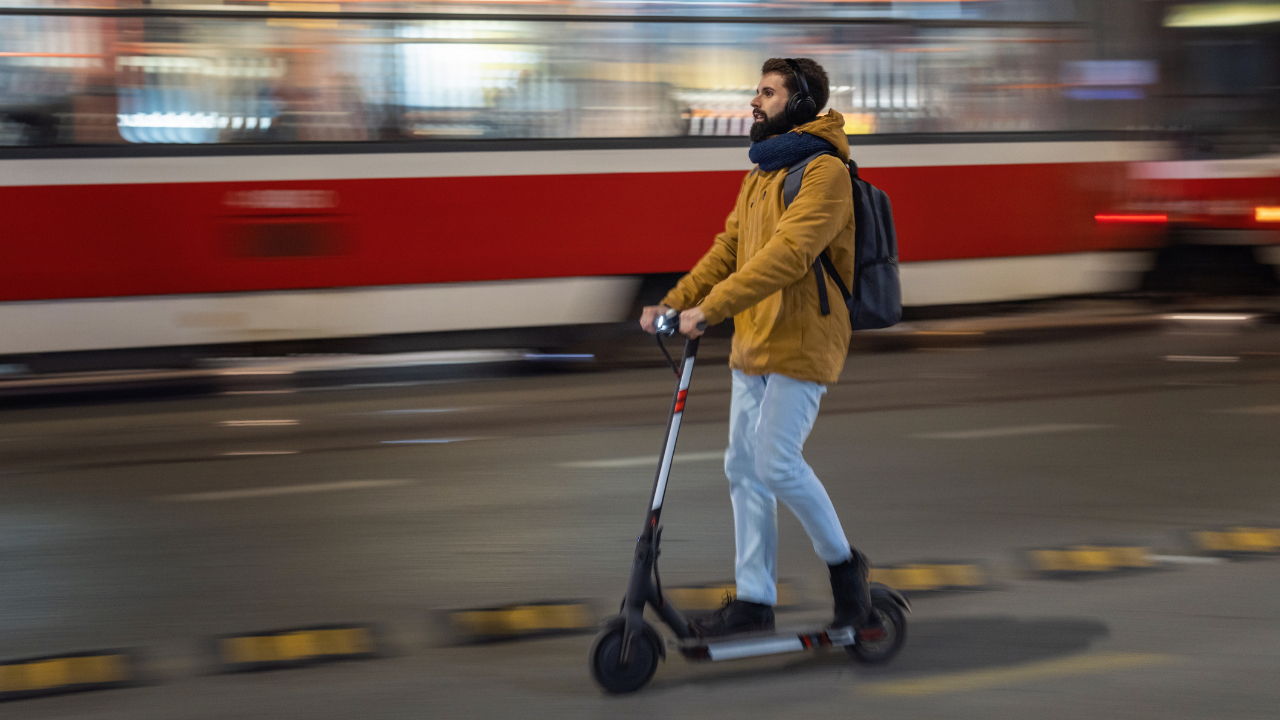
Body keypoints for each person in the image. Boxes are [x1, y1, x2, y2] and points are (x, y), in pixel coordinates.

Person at [640, 57, 872, 637]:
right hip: (756, 337)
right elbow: (729, 250)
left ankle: (848, 571)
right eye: (758, 91)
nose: (755, 101)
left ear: (797, 103)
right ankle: (754, 601)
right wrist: (676, 301)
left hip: (802, 337)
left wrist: (712, 309)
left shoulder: (826, 173)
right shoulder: (762, 174)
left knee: (776, 463)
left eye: (767, 93)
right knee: (743, 468)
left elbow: (789, 254)